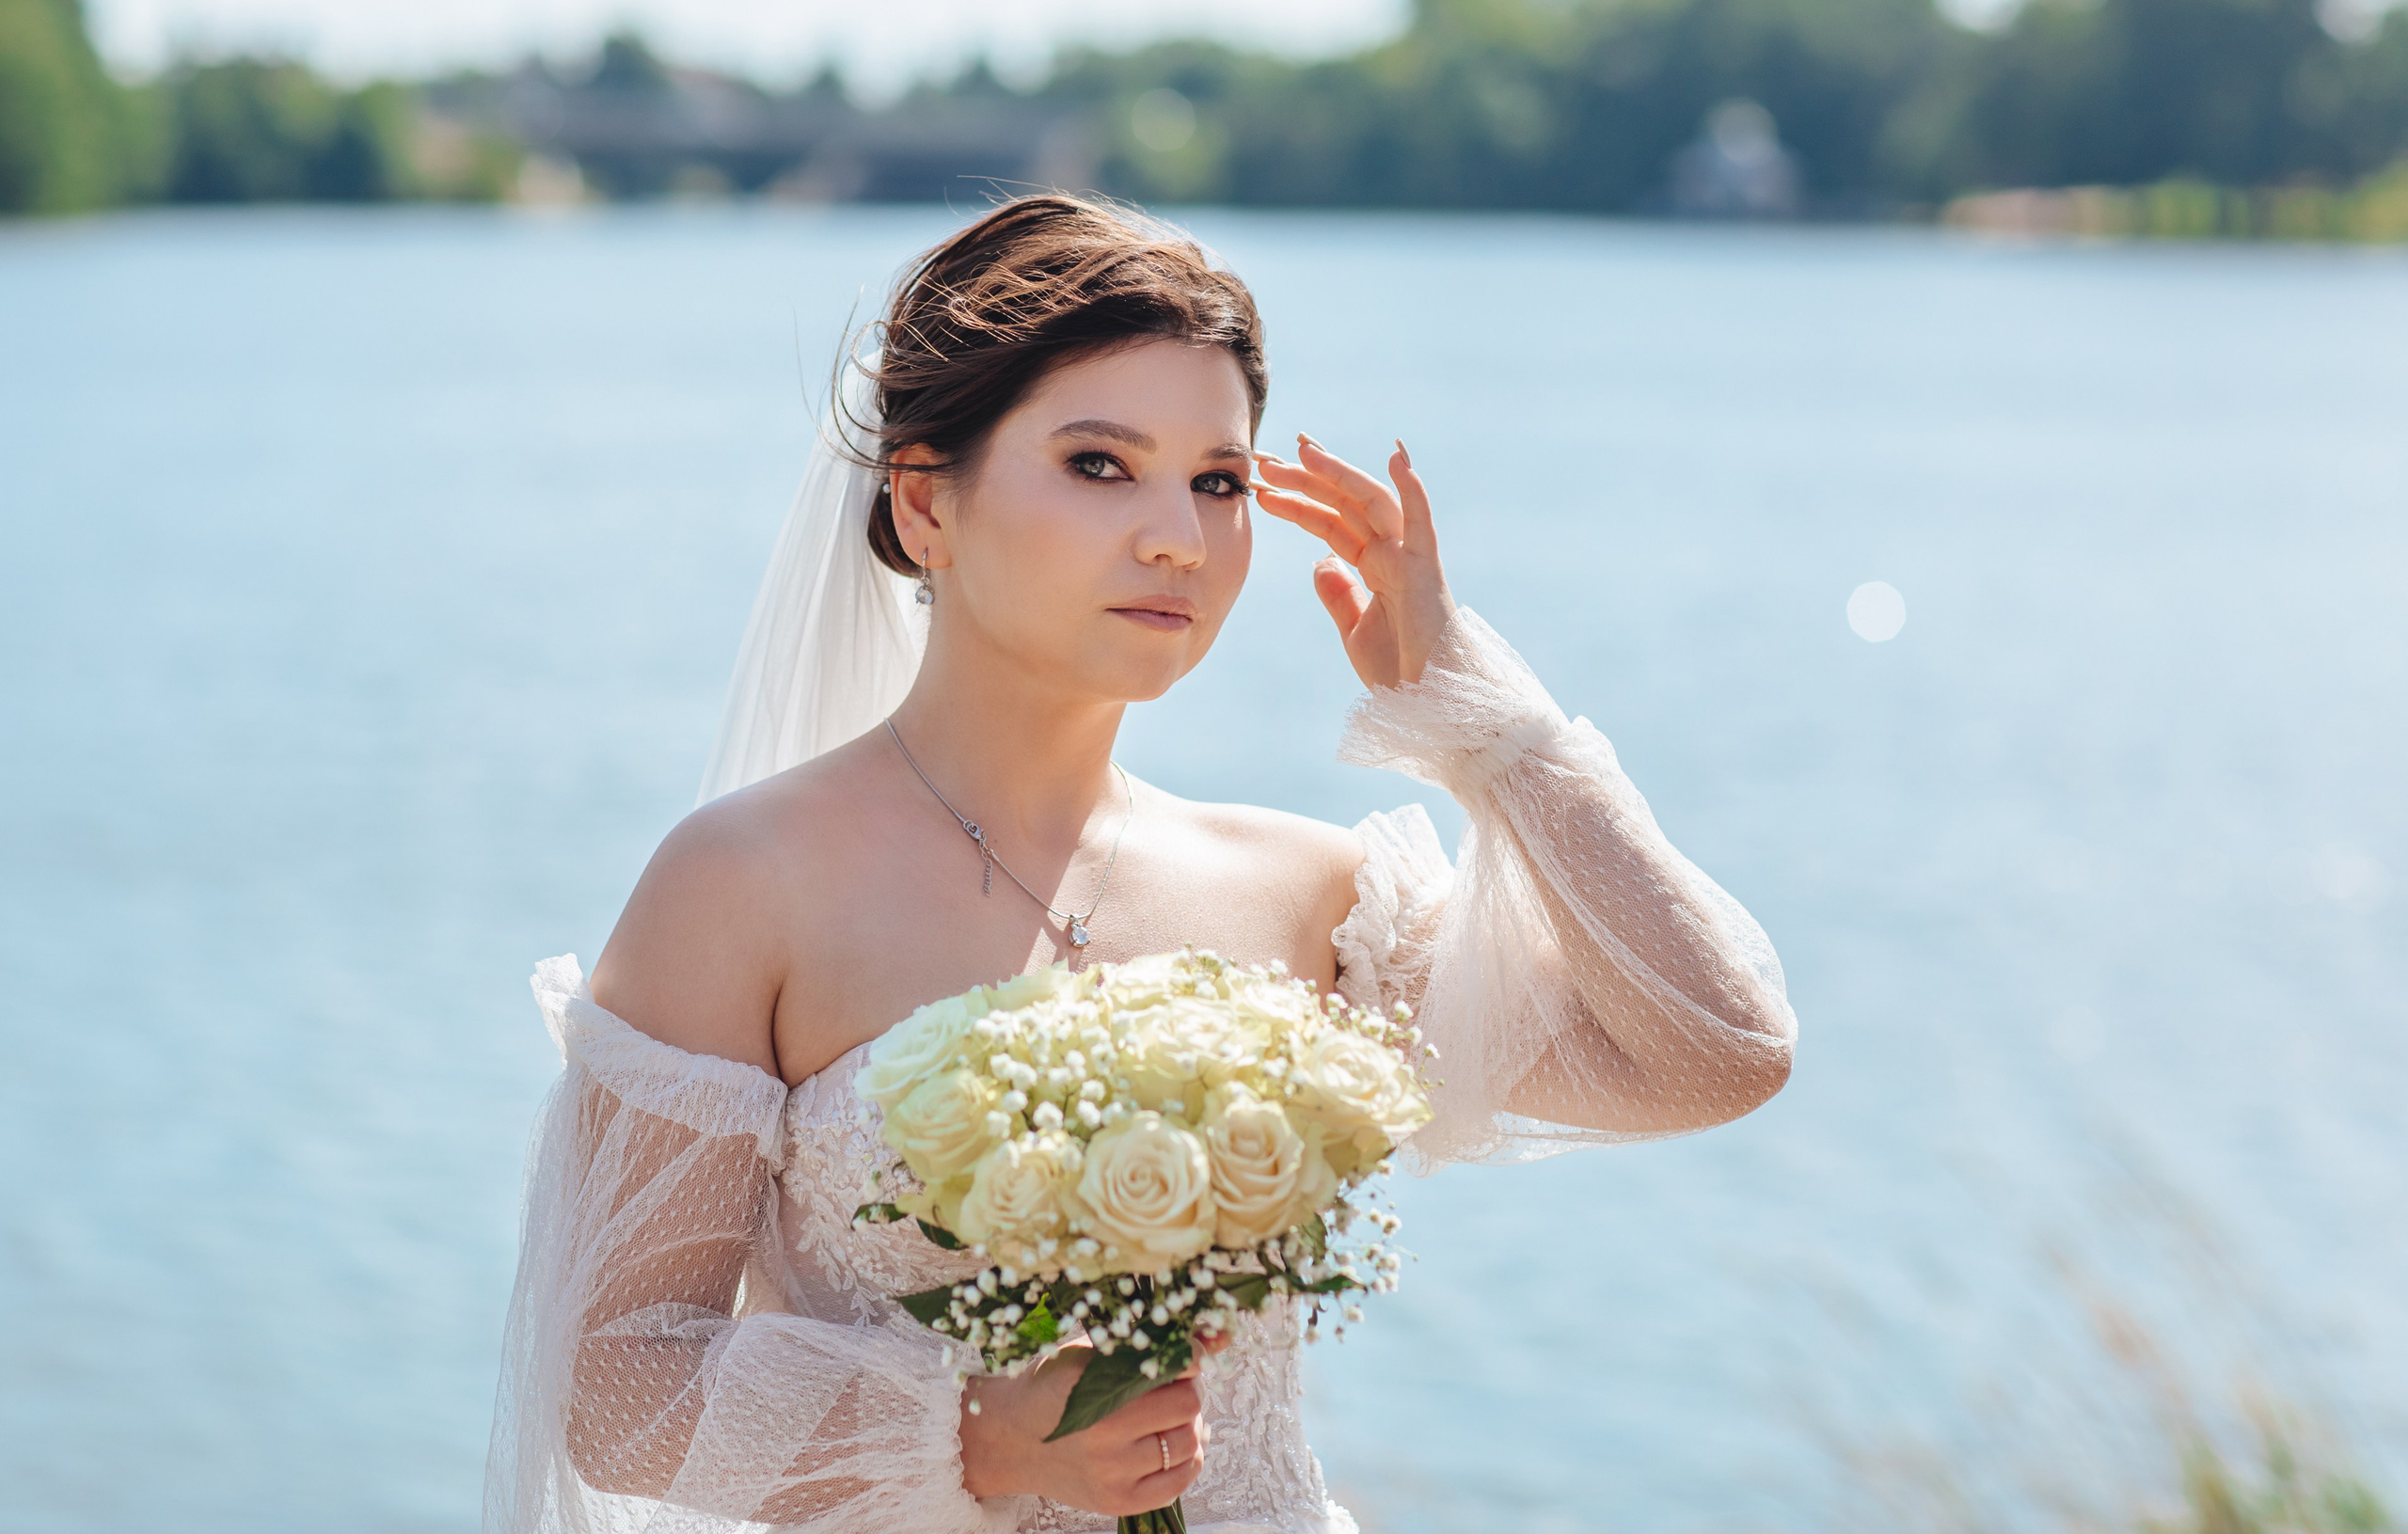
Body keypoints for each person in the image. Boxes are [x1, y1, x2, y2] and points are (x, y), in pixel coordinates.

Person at [484, 194, 1797, 1534]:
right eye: (1102, 465)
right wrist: (980, 1441)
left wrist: (1475, 716)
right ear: (926, 503)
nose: (1178, 534)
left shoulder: (1306, 892)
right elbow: (617, 1379)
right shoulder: (746, 886)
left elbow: (1718, 1050)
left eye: (1218, 482)